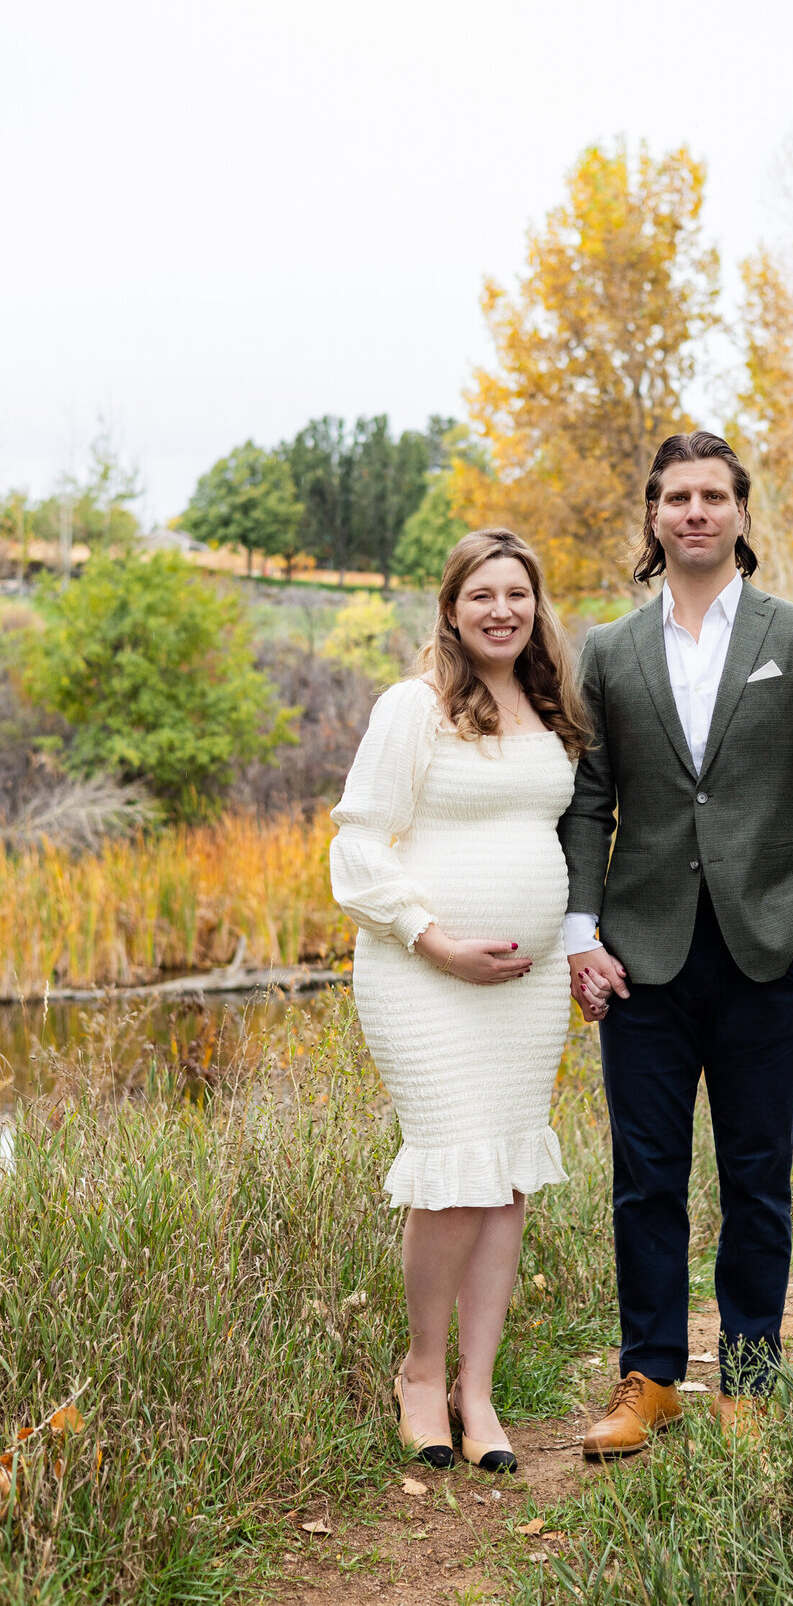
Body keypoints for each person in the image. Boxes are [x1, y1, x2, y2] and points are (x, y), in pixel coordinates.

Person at [559, 431, 793, 1456]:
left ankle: (748, 1376)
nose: (695, 511)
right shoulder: (610, 650)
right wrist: (579, 934)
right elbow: (590, 804)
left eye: (713, 495)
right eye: (676, 497)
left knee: (756, 1171)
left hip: (768, 951)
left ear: (741, 513)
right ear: (653, 518)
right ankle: (648, 1379)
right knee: (645, 1176)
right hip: (641, 955)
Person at [330, 529, 607, 1473]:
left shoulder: (549, 707)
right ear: (450, 608)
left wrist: (575, 945)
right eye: (482, 594)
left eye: (518, 595)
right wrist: (438, 939)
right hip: (421, 974)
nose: (502, 610)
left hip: (523, 991)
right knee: (452, 1169)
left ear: (536, 608)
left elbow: (567, 839)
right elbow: (359, 846)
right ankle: (418, 1373)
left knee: (505, 1185)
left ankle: (476, 1391)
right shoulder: (414, 708)